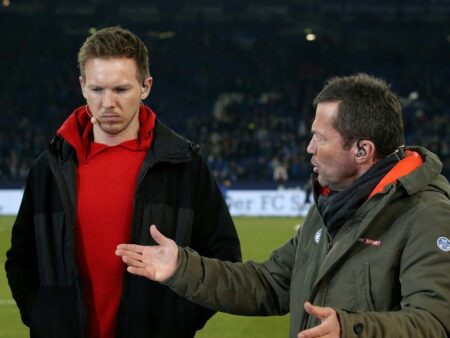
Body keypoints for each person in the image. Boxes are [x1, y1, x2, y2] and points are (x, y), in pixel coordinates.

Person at [116, 73, 450, 338]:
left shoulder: (426, 214)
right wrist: (181, 267)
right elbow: (268, 284)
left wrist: (351, 330)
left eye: (320, 138)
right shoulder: (330, 209)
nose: (308, 148)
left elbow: (435, 323)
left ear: (362, 151)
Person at [5, 26, 242, 338]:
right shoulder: (50, 166)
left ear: (146, 86)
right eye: (97, 89)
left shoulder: (183, 165)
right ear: (81, 87)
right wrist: (42, 318)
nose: (107, 104)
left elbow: (223, 255)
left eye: (120, 90)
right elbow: (21, 258)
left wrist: (176, 320)